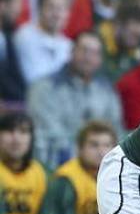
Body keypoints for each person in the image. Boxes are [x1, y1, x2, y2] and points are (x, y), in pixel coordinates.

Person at [27, 31, 123, 169]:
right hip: (58, 166)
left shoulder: (107, 90)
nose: (88, 58)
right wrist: (88, 156)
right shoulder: (44, 88)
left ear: (100, 59)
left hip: (103, 166)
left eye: (95, 53)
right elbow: (48, 135)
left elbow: (116, 130)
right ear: (71, 52)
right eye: (84, 50)